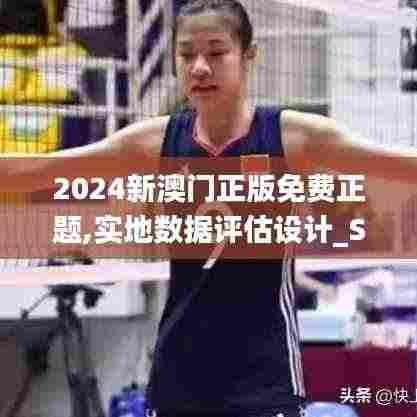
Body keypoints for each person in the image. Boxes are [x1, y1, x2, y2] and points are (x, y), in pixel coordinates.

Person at [2, 0, 417, 416]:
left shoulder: (291, 136)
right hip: (179, 378)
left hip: (264, 378)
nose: (200, 67)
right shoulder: (155, 142)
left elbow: (397, 165)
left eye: (216, 53)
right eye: (186, 55)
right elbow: (44, 169)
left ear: (248, 56)